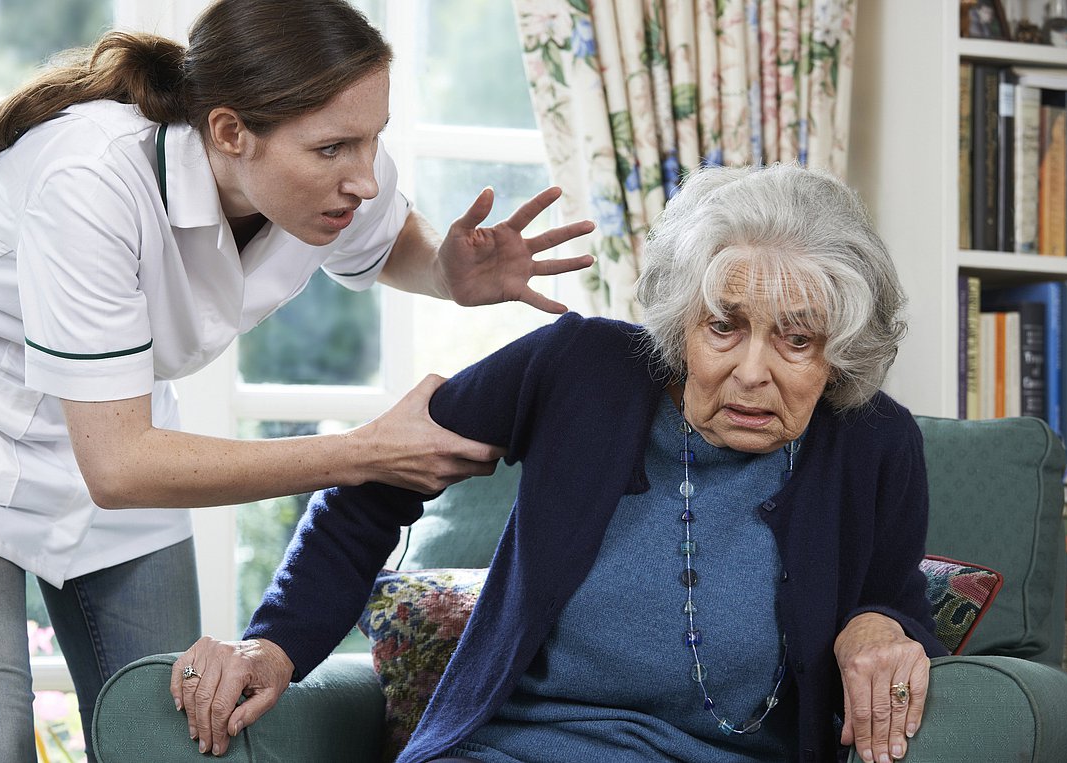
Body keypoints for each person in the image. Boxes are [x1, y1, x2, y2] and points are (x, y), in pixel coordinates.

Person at [0, 1, 595, 761]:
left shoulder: (326, 178)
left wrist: (446, 271)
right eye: (335, 149)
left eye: (373, 139)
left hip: (120, 428)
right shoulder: (90, 177)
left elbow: (385, 242)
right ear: (229, 131)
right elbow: (117, 466)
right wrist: (365, 452)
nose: (367, 179)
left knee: (176, 738)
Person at [173, 163, 949, 763]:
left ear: (840, 354)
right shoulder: (582, 368)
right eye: (724, 326)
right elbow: (372, 484)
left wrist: (879, 623)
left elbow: (892, 600)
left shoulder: (874, 444)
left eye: (796, 339)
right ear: (682, 322)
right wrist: (272, 642)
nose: (752, 371)